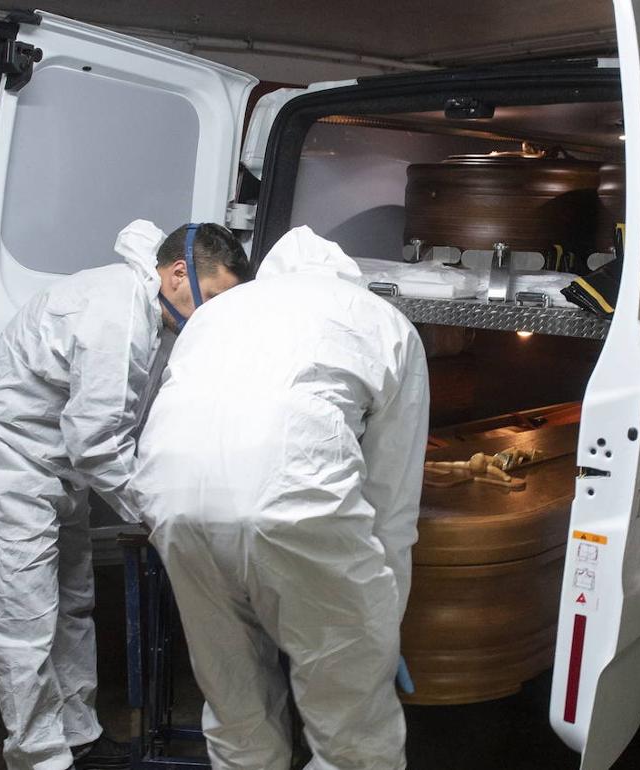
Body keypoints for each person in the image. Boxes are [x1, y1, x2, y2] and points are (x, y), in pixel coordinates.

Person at [0, 220, 250, 770]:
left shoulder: (152, 314)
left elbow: (125, 421)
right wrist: (161, 515)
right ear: (180, 273)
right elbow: (94, 442)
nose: (218, 314)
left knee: (72, 602)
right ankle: (40, 757)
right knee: (23, 621)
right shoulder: (115, 311)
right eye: (219, 297)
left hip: (54, 464)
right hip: (5, 461)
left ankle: (80, 737)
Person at [135, 226, 430, 770]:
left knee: (234, 703)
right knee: (351, 728)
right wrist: (383, 626)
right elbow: (392, 501)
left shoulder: (217, 315)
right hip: (295, 504)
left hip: (173, 504)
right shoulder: (384, 322)